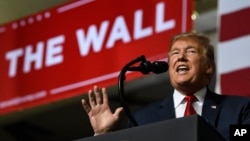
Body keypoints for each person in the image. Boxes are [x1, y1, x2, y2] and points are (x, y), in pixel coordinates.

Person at [81, 32, 250, 141]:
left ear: (208, 67)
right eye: (175, 53)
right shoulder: (143, 119)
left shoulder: (239, 109)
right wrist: (102, 136)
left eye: (191, 51)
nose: (181, 57)